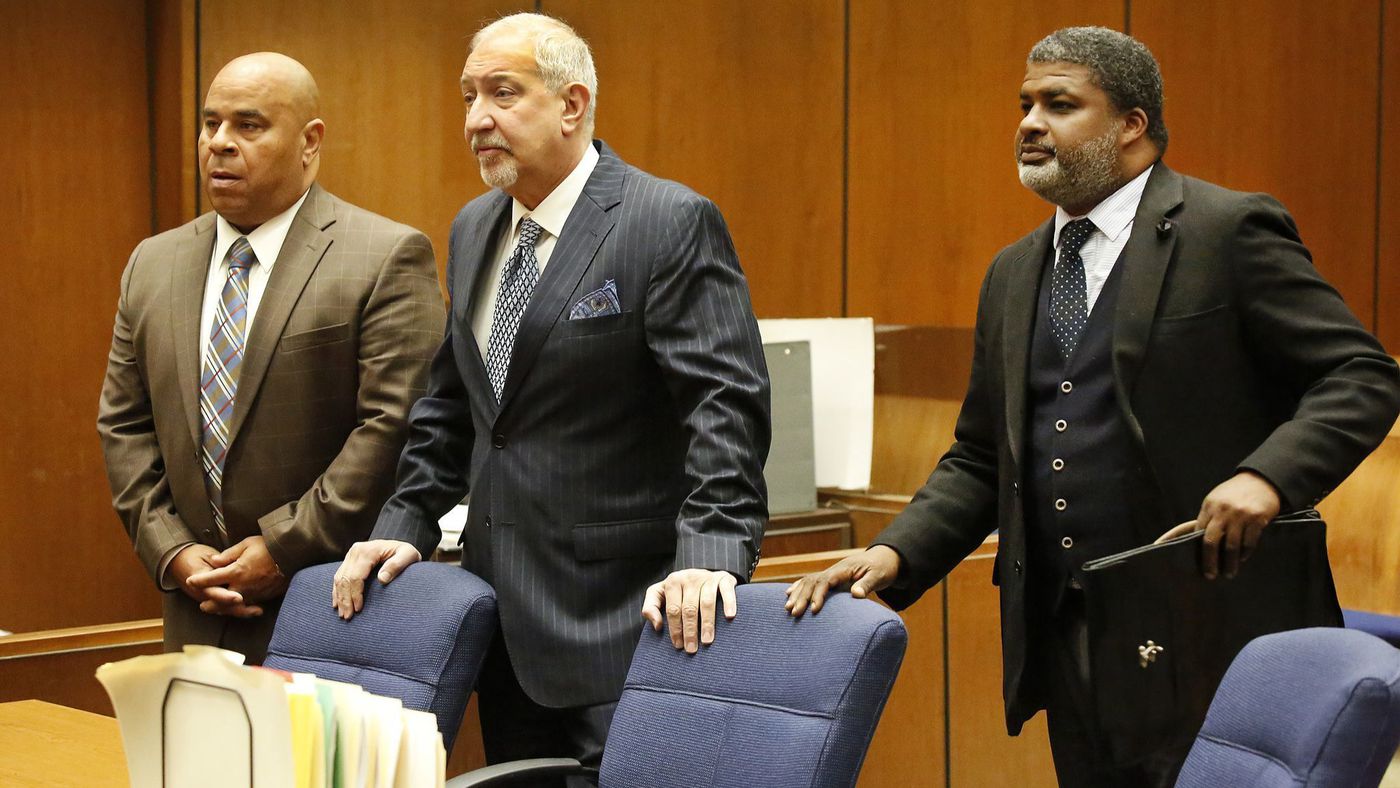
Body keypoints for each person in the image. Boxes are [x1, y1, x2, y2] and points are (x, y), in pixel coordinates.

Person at [785, 26, 1400, 787]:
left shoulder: (1227, 231)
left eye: (1059, 103)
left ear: (1131, 124)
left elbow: (1361, 374)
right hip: (1072, 638)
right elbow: (983, 455)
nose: (1029, 122)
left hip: (1215, 622)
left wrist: (1268, 478)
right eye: (1025, 104)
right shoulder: (1013, 273)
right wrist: (895, 553)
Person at [332, 12, 770, 779]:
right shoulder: (474, 228)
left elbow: (724, 405)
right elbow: (452, 407)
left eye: (502, 93)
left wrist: (713, 555)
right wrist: (405, 522)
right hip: (502, 624)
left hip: (630, 622)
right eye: (467, 97)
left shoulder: (664, 220)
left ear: (572, 104)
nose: (476, 120)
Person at [97, 53, 445, 665]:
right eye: (211, 125)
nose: (219, 145)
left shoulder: (384, 256)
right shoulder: (152, 262)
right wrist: (173, 550)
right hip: (195, 609)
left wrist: (281, 547)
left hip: (331, 607)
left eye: (249, 126)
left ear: (310, 142)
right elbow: (125, 424)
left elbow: (392, 427)